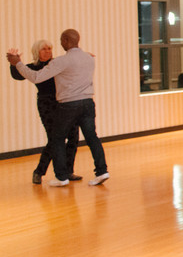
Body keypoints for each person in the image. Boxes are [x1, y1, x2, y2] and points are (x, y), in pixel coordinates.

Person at [7, 28, 109, 186]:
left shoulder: (60, 61)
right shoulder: (87, 58)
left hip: (68, 105)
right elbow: (25, 75)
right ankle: (100, 171)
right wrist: (16, 65)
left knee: (60, 139)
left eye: (52, 46)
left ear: (66, 41)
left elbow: (37, 77)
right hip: (67, 104)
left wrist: (17, 62)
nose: (50, 50)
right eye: (44, 48)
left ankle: (63, 176)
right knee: (85, 137)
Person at [9, 39, 82, 184]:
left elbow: (72, 63)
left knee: (73, 136)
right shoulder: (34, 67)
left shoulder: (57, 63)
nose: (48, 51)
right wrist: (14, 62)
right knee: (54, 139)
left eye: (49, 48)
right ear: (37, 52)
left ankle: (68, 171)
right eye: (44, 49)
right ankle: (39, 172)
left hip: (64, 102)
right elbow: (18, 75)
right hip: (46, 104)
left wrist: (84, 57)